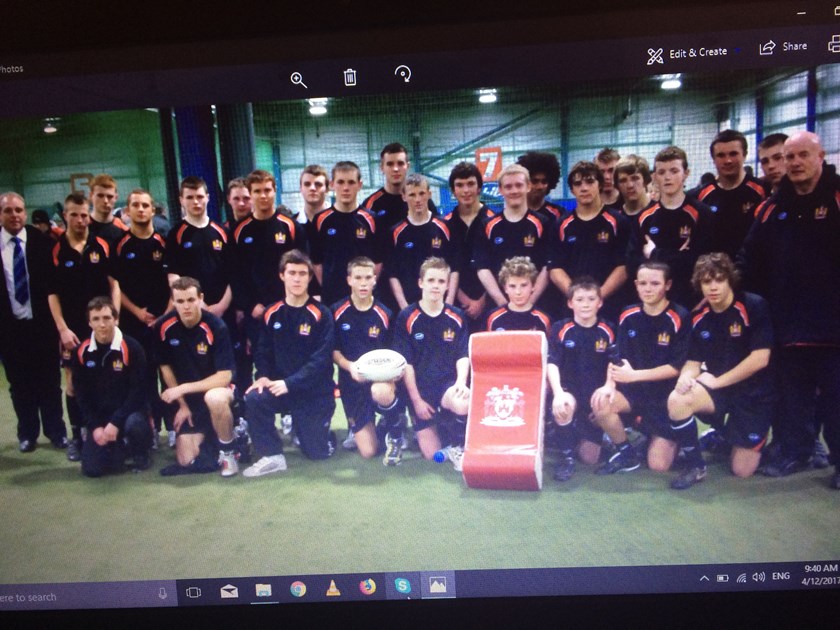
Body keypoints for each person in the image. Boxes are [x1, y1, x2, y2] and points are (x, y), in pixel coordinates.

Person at [738, 131, 840, 488]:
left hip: (833, 328)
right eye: (789, 156)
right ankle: (794, 452)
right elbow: (749, 258)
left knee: (836, 400)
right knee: (791, 399)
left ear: (821, 156)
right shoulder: (771, 208)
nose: (794, 163)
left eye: (801, 156)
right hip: (787, 325)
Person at [667, 253, 774, 487]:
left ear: (729, 280)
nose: (713, 287)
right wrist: (685, 378)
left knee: (742, 470)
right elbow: (693, 362)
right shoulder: (698, 317)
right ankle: (696, 466)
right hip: (720, 391)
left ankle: (733, 436)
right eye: (706, 282)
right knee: (678, 399)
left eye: (719, 280)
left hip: (754, 395)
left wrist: (718, 381)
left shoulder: (753, 305)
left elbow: (760, 359)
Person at [591, 262, 697, 484]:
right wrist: (609, 386)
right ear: (636, 285)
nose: (648, 289)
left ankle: (665, 438)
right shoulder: (627, 314)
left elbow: (676, 367)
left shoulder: (679, 316)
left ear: (667, 285)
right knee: (600, 402)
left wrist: (635, 375)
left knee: (659, 466)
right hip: (632, 393)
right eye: (643, 283)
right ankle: (627, 453)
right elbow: (616, 357)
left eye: (655, 283)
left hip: (664, 399)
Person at [242, 250, 337, 477]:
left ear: (309, 278)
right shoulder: (271, 313)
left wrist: (290, 383)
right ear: (282, 276)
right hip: (280, 387)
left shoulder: (321, 314)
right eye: (292, 273)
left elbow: (321, 361)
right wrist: (263, 376)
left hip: (313, 392)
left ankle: (318, 433)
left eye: (302, 274)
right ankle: (272, 455)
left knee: (316, 452)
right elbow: (262, 351)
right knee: (254, 397)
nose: (297, 279)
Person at [48, 192, 120, 462]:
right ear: (65, 216)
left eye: (83, 214)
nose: (80, 219)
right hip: (73, 330)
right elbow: (52, 294)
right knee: (73, 385)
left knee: (109, 378)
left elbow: (114, 284)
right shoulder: (56, 250)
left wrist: (114, 318)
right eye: (74, 214)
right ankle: (77, 436)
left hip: (103, 326)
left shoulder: (101, 245)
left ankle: (109, 430)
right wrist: (62, 329)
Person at [0, 192, 66, 453]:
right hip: (9, 330)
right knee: (19, 385)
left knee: (50, 382)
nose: (14, 215)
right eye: (8, 211)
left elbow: (54, 286)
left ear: (25, 213)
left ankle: (56, 432)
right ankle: (27, 433)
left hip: (43, 327)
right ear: (0, 214)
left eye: (18, 210)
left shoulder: (44, 243)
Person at [391, 257, 470, 470]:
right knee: (431, 454)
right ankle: (437, 429)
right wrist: (416, 400)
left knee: (463, 401)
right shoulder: (406, 316)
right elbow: (406, 364)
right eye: (431, 280)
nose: (436, 286)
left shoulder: (457, 316)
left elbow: (463, 356)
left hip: (446, 386)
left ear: (447, 285)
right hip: (420, 391)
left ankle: (458, 447)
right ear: (421, 283)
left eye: (441, 281)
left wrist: (461, 384)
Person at [154, 277, 238, 476]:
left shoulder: (216, 327)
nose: (186, 306)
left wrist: (182, 389)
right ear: (173, 302)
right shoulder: (163, 327)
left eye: (191, 300)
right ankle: (217, 437)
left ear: (201, 298)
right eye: (180, 301)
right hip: (189, 402)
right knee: (187, 461)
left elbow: (224, 377)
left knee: (214, 398)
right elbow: (166, 368)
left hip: (216, 392)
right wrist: (182, 405)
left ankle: (229, 453)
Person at [112, 189, 172, 447]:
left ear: (152, 210)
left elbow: (174, 281)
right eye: (135, 205)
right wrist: (136, 312)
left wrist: (166, 314)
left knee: (168, 374)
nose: (140, 209)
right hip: (134, 324)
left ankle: (172, 429)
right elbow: (115, 285)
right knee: (143, 379)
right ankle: (151, 432)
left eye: (145, 205)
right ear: (127, 211)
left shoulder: (163, 242)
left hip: (164, 322)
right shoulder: (121, 245)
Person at [331, 257, 406, 464]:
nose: (363, 283)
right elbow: (334, 351)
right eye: (358, 278)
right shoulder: (336, 312)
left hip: (378, 381)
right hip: (351, 382)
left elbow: (393, 354)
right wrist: (350, 366)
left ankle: (395, 432)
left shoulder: (385, 313)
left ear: (375, 279)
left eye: (367, 278)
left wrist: (388, 376)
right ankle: (383, 426)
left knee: (380, 391)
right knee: (369, 451)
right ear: (349, 280)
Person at [72, 297, 151, 477]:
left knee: (135, 424)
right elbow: (81, 396)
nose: (102, 324)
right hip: (100, 420)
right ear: (89, 322)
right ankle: (117, 447)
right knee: (93, 470)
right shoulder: (81, 352)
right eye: (96, 319)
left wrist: (115, 422)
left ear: (116, 320)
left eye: (107, 318)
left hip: (129, 415)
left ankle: (140, 452)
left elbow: (138, 392)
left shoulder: (132, 348)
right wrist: (95, 426)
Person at [547, 278, 616, 481]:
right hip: (570, 392)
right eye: (579, 299)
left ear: (600, 302)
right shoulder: (561, 328)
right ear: (570, 303)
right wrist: (558, 393)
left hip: (594, 398)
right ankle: (565, 458)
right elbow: (552, 364)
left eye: (591, 299)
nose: (585, 304)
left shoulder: (608, 329)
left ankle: (574, 432)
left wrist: (608, 387)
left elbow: (615, 363)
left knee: (590, 458)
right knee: (564, 406)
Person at [232, 169, 306, 353]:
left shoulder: (290, 226)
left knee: (292, 359)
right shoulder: (239, 231)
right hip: (256, 312)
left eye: (267, 190)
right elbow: (236, 274)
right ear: (250, 193)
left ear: (275, 191)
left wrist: (292, 301)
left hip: (288, 308)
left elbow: (303, 267)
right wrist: (250, 306)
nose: (263, 195)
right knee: (264, 364)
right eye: (257, 191)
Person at [549, 160, 631, 320]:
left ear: (600, 184)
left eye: (590, 181)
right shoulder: (561, 224)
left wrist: (597, 297)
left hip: (609, 307)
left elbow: (624, 267)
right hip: (573, 310)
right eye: (578, 184)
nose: (584, 188)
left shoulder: (618, 221)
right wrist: (577, 299)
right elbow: (554, 268)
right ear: (572, 190)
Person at [634, 146, 713, 309]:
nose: (667, 177)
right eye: (661, 172)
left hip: (692, 301)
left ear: (686, 173)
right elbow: (635, 262)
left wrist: (656, 254)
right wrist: (679, 256)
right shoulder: (644, 217)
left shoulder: (701, 213)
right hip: (655, 303)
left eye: (674, 171)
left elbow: (700, 262)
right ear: (654, 177)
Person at [474, 164, 550, 309]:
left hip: (536, 307)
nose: (514, 190)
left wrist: (529, 303)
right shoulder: (487, 226)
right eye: (508, 187)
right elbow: (482, 268)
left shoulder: (543, 223)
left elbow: (547, 267)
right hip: (499, 306)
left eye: (519, 185)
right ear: (500, 190)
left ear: (528, 186)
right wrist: (504, 304)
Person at [310, 161, 381, 306]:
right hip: (332, 298)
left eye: (351, 182)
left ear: (359, 185)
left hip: (364, 298)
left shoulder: (371, 219)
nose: (346, 188)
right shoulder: (321, 220)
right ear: (332, 184)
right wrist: (328, 286)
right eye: (341, 182)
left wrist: (367, 286)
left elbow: (378, 261)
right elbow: (316, 262)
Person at [690, 129, 768, 260]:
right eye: (721, 155)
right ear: (713, 159)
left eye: (733, 154)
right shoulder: (699, 196)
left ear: (744, 155)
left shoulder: (762, 191)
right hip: (714, 274)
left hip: (751, 270)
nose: (728, 160)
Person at [166, 176, 232, 320]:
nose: (195, 202)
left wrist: (222, 305)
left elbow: (233, 273)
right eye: (189, 197)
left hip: (224, 310)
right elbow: (174, 276)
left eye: (200, 196)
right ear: (181, 200)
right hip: (192, 310)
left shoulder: (223, 232)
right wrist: (197, 304)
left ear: (207, 198)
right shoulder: (175, 235)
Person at [389, 173, 458, 309]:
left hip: (441, 304)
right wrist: (404, 307)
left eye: (421, 193)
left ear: (429, 194)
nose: (418, 199)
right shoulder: (396, 232)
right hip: (409, 305)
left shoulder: (445, 226)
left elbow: (454, 267)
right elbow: (392, 274)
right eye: (412, 195)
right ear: (404, 197)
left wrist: (449, 301)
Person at [444, 162, 492, 332]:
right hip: (456, 305)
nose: (466, 190)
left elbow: (500, 266)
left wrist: (483, 300)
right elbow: (445, 266)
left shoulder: (494, 222)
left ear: (479, 187)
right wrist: (464, 300)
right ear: (453, 190)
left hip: (490, 303)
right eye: (460, 185)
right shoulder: (445, 224)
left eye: (471, 184)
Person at [483, 256, 551, 334]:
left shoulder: (544, 319)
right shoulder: (492, 317)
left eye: (524, 285)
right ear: (505, 288)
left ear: (533, 286)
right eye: (512, 286)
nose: (518, 292)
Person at [516, 150, 564, 222]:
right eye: (534, 181)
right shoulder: (513, 214)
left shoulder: (559, 214)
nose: (540, 187)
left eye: (544, 182)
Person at [88, 174, 128, 247]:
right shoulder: (82, 228)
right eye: (100, 196)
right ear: (91, 196)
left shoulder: (124, 231)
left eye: (110, 196)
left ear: (116, 197)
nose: (105, 201)